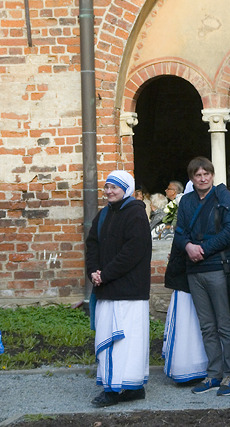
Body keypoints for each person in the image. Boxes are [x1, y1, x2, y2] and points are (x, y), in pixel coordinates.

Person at [174, 157, 230, 396]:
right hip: (194, 269)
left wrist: (203, 249)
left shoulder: (224, 199)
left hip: (217, 266)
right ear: (192, 178)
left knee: (224, 323)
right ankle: (214, 373)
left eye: (206, 174)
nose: (202, 179)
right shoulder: (186, 202)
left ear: (212, 175)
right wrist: (188, 247)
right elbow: (179, 232)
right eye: (198, 175)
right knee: (207, 326)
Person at [86, 170, 152, 407]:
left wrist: (106, 274)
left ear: (126, 189)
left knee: (127, 340)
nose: (109, 191)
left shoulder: (135, 213)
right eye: (107, 187)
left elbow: (133, 251)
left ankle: (126, 387)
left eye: (115, 187)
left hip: (129, 290)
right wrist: (93, 271)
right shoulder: (103, 215)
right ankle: (114, 385)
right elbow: (92, 245)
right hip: (107, 288)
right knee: (109, 336)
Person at [161, 183, 208, 384]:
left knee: (203, 323)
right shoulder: (183, 216)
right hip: (184, 277)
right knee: (185, 321)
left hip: (204, 273)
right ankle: (184, 366)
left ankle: (204, 365)